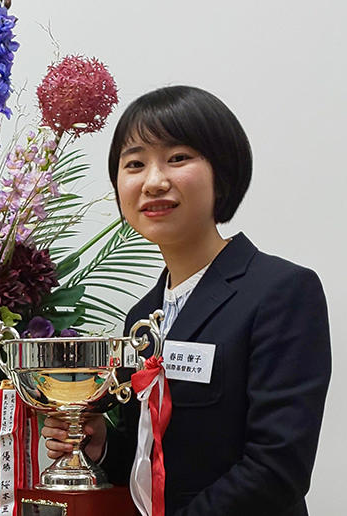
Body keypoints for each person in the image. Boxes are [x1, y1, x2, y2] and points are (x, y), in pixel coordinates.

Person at [42, 85, 331, 515]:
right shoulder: (143, 317)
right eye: (135, 164)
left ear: (224, 173)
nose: (154, 181)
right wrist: (103, 445)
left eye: (178, 158)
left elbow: (277, 467)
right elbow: (156, 464)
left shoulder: (282, 291)